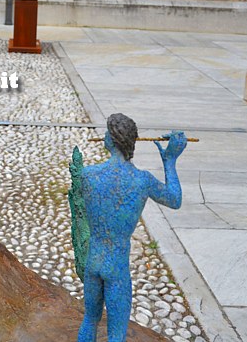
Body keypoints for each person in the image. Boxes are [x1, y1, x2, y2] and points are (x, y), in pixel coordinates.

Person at [77, 114, 186, 342]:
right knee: (116, 335)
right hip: (116, 266)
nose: (105, 136)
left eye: (108, 132)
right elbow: (174, 199)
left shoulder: (87, 176)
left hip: (94, 262)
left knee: (90, 319)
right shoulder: (142, 181)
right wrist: (170, 161)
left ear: (112, 139)